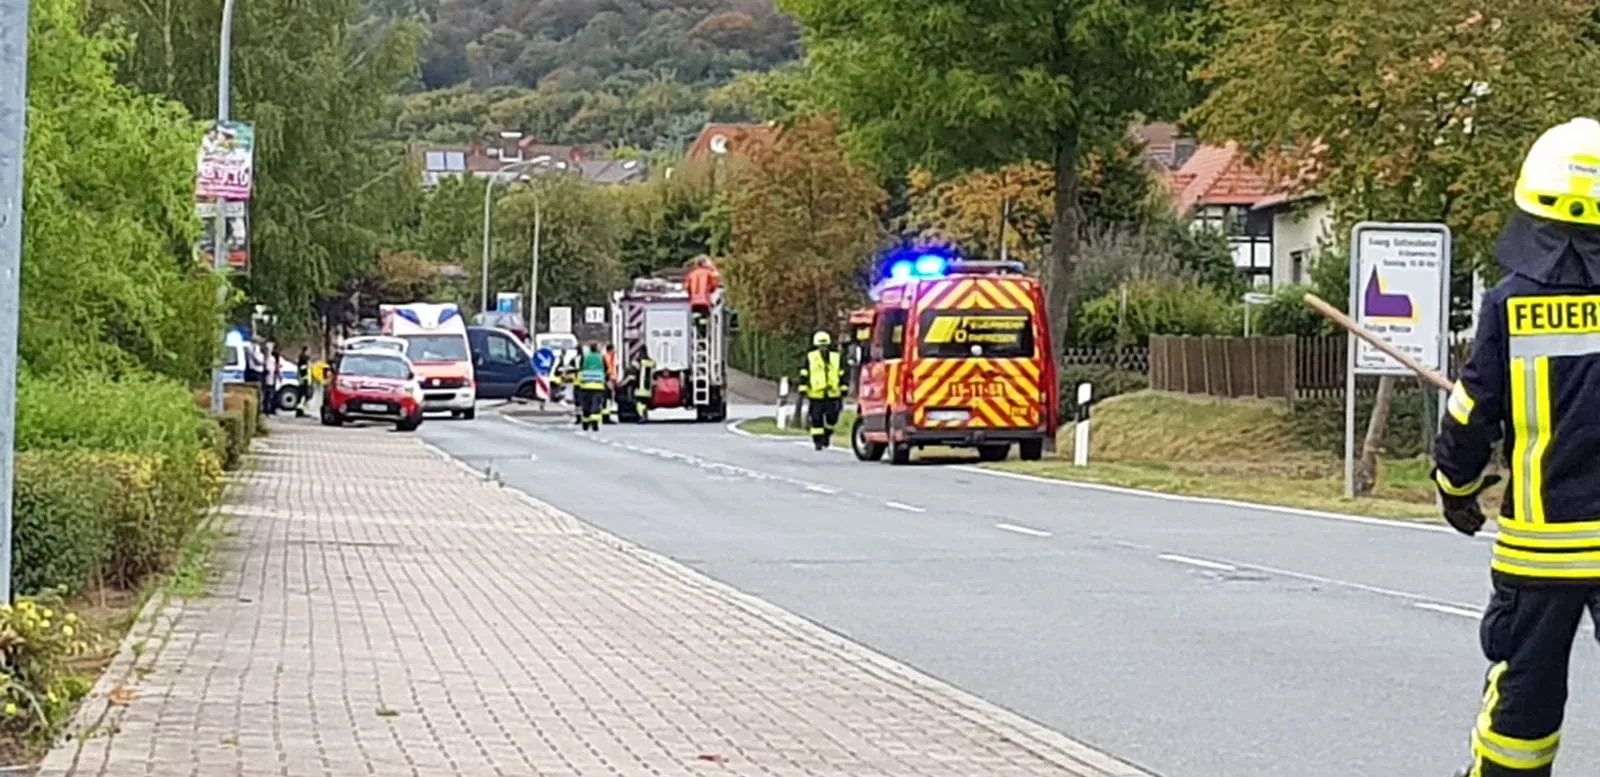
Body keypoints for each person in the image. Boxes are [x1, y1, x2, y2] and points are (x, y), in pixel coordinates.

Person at [1434, 116, 1600, 777]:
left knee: (1521, 714)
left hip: (1542, 553)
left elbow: (1469, 414)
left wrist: (1456, 489)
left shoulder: (1508, 304)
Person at [799, 330, 845, 450]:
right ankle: (818, 441)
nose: (822, 348)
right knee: (816, 418)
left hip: (833, 393)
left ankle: (827, 434)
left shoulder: (836, 357)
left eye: (824, 346)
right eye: (820, 346)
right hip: (816, 393)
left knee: (832, 418)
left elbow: (842, 373)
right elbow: (804, 373)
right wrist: (803, 387)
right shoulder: (811, 357)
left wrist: (844, 387)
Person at [575, 343, 608, 432]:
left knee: (586, 404)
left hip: (585, 385)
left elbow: (581, 368)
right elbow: (606, 369)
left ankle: (585, 423)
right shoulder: (601, 357)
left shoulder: (585, 357)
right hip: (598, 385)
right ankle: (594, 424)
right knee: (596, 404)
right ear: (597, 349)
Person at [685, 255, 720, 331]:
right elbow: (713, 286)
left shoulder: (691, 274)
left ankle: (698, 334)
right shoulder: (709, 273)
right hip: (704, 301)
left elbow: (687, 287)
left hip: (694, 302)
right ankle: (704, 335)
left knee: (696, 318)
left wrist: (692, 295)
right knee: (705, 319)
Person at [632, 351, 656, 424]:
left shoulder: (639, 362)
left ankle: (642, 416)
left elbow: (633, 367)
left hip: (640, 386)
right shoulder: (651, 362)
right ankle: (645, 415)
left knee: (639, 403)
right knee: (645, 403)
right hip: (648, 387)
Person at [601, 343, 618, 425]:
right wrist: (609, 381)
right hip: (608, 380)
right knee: (607, 399)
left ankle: (606, 416)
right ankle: (605, 417)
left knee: (608, 399)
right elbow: (608, 370)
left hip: (609, 379)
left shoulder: (608, 356)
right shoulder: (608, 357)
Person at [295, 346, 312, 418]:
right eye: (309, 350)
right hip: (304, 381)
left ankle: (301, 411)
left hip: (305, 380)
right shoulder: (303, 360)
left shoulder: (304, 360)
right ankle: (299, 412)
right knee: (303, 396)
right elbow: (303, 370)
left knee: (303, 396)